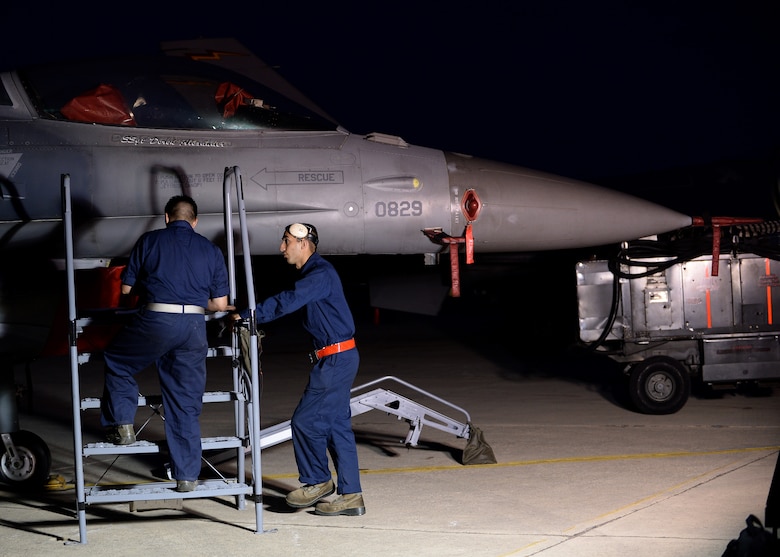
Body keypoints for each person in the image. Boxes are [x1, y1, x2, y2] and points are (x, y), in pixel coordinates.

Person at [100, 195, 229, 493]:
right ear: (194, 221)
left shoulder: (150, 241)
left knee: (117, 361)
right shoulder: (210, 249)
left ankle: (122, 425)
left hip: (157, 321)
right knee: (184, 402)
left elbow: (127, 288)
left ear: (167, 217)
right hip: (195, 327)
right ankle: (186, 476)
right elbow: (220, 303)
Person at [235, 222, 365, 516]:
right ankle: (352, 495)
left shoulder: (319, 274)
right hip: (337, 357)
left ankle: (318, 481)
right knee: (337, 428)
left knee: (305, 422)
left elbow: (288, 301)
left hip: (335, 360)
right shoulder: (317, 274)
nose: (282, 248)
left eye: (286, 242)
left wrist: (246, 316)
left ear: (303, 243)